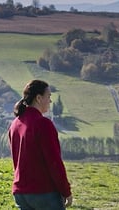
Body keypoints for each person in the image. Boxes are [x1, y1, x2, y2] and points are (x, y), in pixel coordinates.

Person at [8, 79, 73, 210]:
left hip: (21, 193)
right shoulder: (43, 124)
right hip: (44, 193)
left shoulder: (14, 124)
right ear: (38, 98)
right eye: (48, 96)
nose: (50, 101)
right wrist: (66, 191)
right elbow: (54, 162)